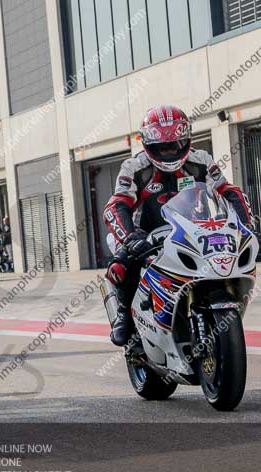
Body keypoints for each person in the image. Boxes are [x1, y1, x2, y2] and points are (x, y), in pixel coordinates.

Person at [103, 105, 252, 346]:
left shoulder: (201, 161)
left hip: (195, 229)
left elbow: (230, 192)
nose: (168, 150)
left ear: (186, 139)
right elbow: (116, 205)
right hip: (147, 235)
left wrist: (248, 228)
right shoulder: (134, 167)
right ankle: (124, 317)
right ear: (149, 144)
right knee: (121, 266)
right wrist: (130, 238)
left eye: (174, 144)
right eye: (162, 146)